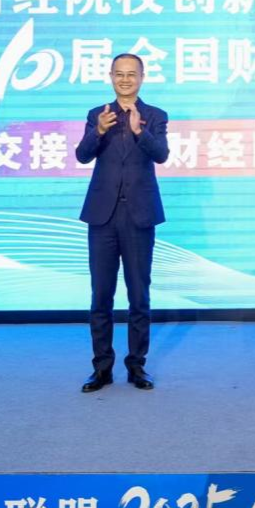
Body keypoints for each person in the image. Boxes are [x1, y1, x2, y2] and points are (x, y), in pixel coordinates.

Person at [75, 53, 169, 393]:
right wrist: (99, 131)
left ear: (142, 78)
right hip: (103, 216)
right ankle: (101, 368)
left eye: (132, 74)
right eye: (119, 74)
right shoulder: (97, 114)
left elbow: (161, 154)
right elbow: (82, 155)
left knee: (139, 295)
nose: (125, 79)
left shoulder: (155, 115)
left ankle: (136, 366)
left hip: (140, 216)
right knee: (101, 295)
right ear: (111, 77)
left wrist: (140, 132)